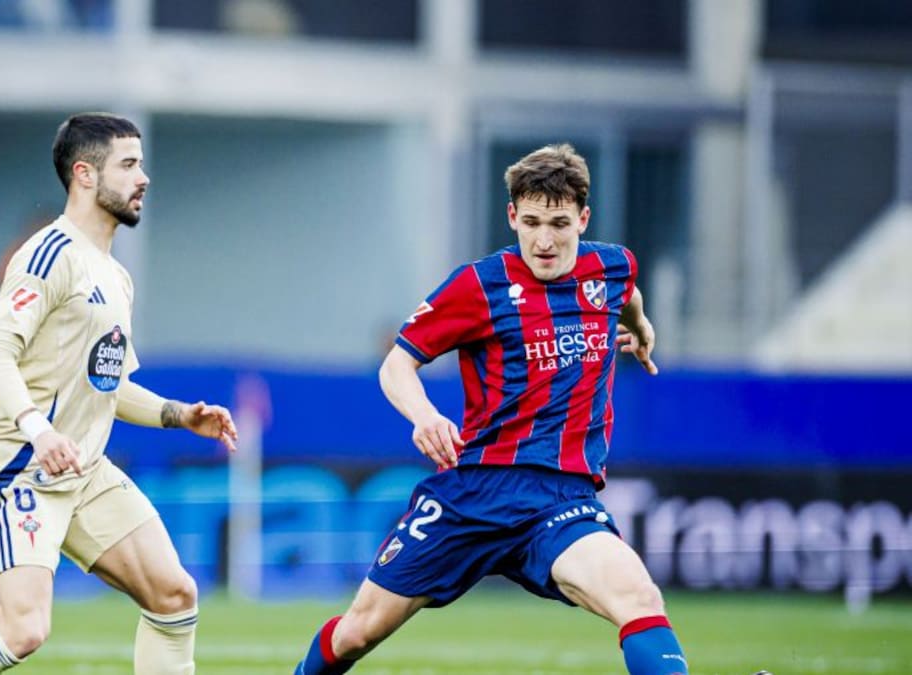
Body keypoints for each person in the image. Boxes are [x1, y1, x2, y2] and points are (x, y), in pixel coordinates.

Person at [294, 144, 687, 675]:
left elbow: (629, 294)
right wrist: (425, 416)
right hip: (473, 492)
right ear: (511, 216)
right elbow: (396, 366)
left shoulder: (611, 267)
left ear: (583, 219)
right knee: (358, 633)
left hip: (560, 498)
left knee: (638, 596)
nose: (544, 240)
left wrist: (642, 333)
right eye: (530, 222)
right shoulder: (478, 286)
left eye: (559, 223)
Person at [0, 113, 238, 675]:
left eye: (140, 163)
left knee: (174, 596)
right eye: (128, 165)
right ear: (85, 175)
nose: (143, 177)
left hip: (83, 469)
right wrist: (38, 428)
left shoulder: (115, 276)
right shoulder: (47, 255)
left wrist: (178, 415)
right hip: (21, 468)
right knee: (23, 633)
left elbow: (109, 383)